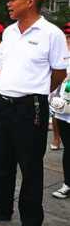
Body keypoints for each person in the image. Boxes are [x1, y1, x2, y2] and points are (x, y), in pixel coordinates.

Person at [0, 0, 67, 226]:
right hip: (5, 103)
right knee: (0, 159)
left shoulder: (51, 34)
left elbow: (59, 73)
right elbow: (8, 66)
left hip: (32, 106)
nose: (9, 2)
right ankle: (0, 207)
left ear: (30, 1)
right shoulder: (10, 32)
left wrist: (35, 91)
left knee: (30, 164)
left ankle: (31, 219)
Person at [50, 22, 70, 200]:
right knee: (68, 148)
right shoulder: (62, 57)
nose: (68, 40)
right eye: (67, 37)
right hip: (64, 109)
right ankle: (67, 183)